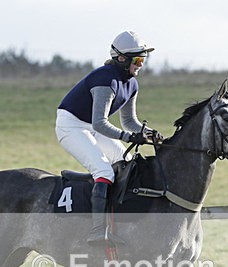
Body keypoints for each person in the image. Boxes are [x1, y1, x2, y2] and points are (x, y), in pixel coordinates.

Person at [55, 30, 160, 245]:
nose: (141, 64)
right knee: (103, 171)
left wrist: (149, 134)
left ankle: (121, 222)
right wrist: (129, 137)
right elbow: (100, 123)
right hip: (71, 126)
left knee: (128, 164)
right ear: (122, 59)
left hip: (91, 126)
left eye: (144, 59)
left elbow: (130, 121)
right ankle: (97, 232)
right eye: (138, 59)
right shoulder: (106, 80)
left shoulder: (131, 83)